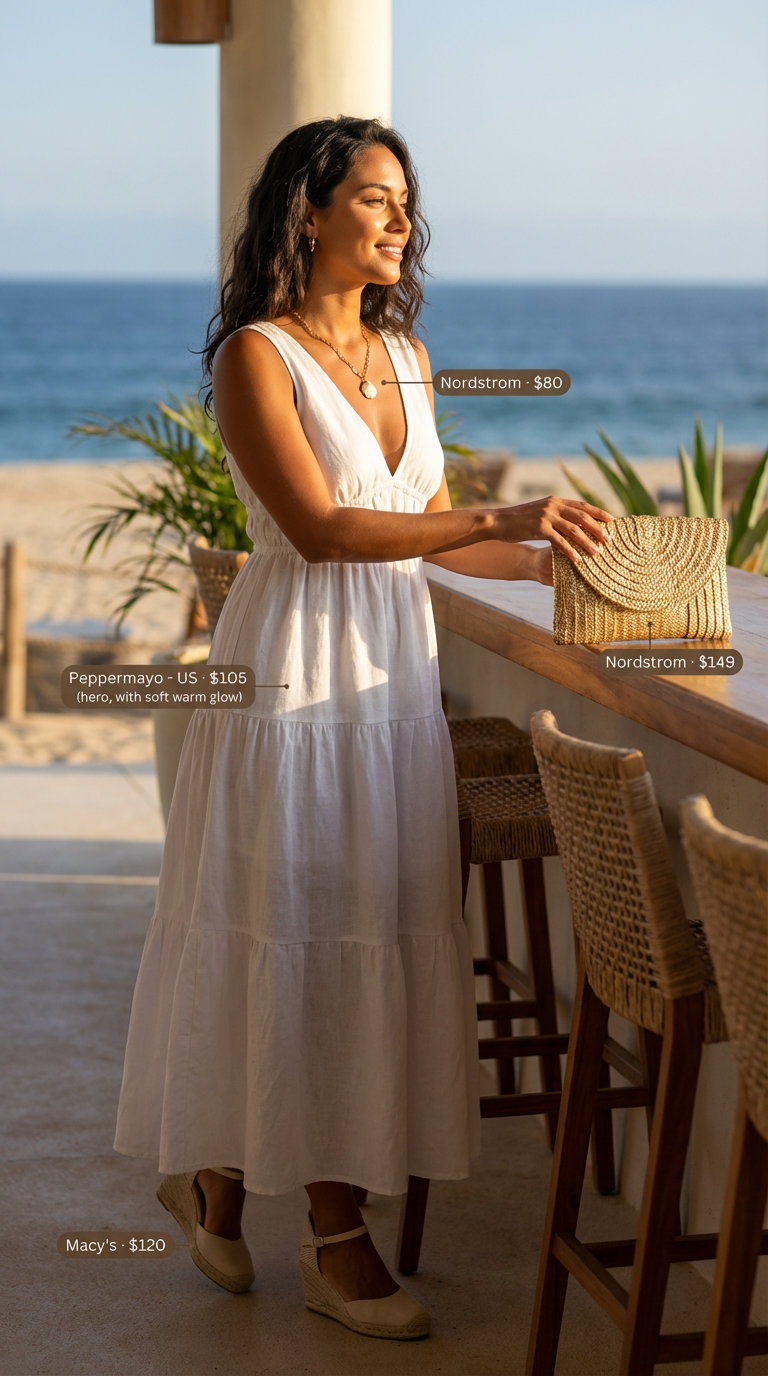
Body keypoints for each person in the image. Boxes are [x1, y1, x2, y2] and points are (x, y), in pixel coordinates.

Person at [112, 115, 612, 1341]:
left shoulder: (410, 357)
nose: (400, 221)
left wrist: (544, 558)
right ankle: (338, 1238)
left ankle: (220, 1175)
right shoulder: (254, 356)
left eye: (405, 202)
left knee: (367, 921)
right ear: (310, 211)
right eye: (377, 199)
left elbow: (431, 526)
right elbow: (331, 529)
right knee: (301, 928)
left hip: (389, 683)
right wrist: (509, 509)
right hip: (291, 681)